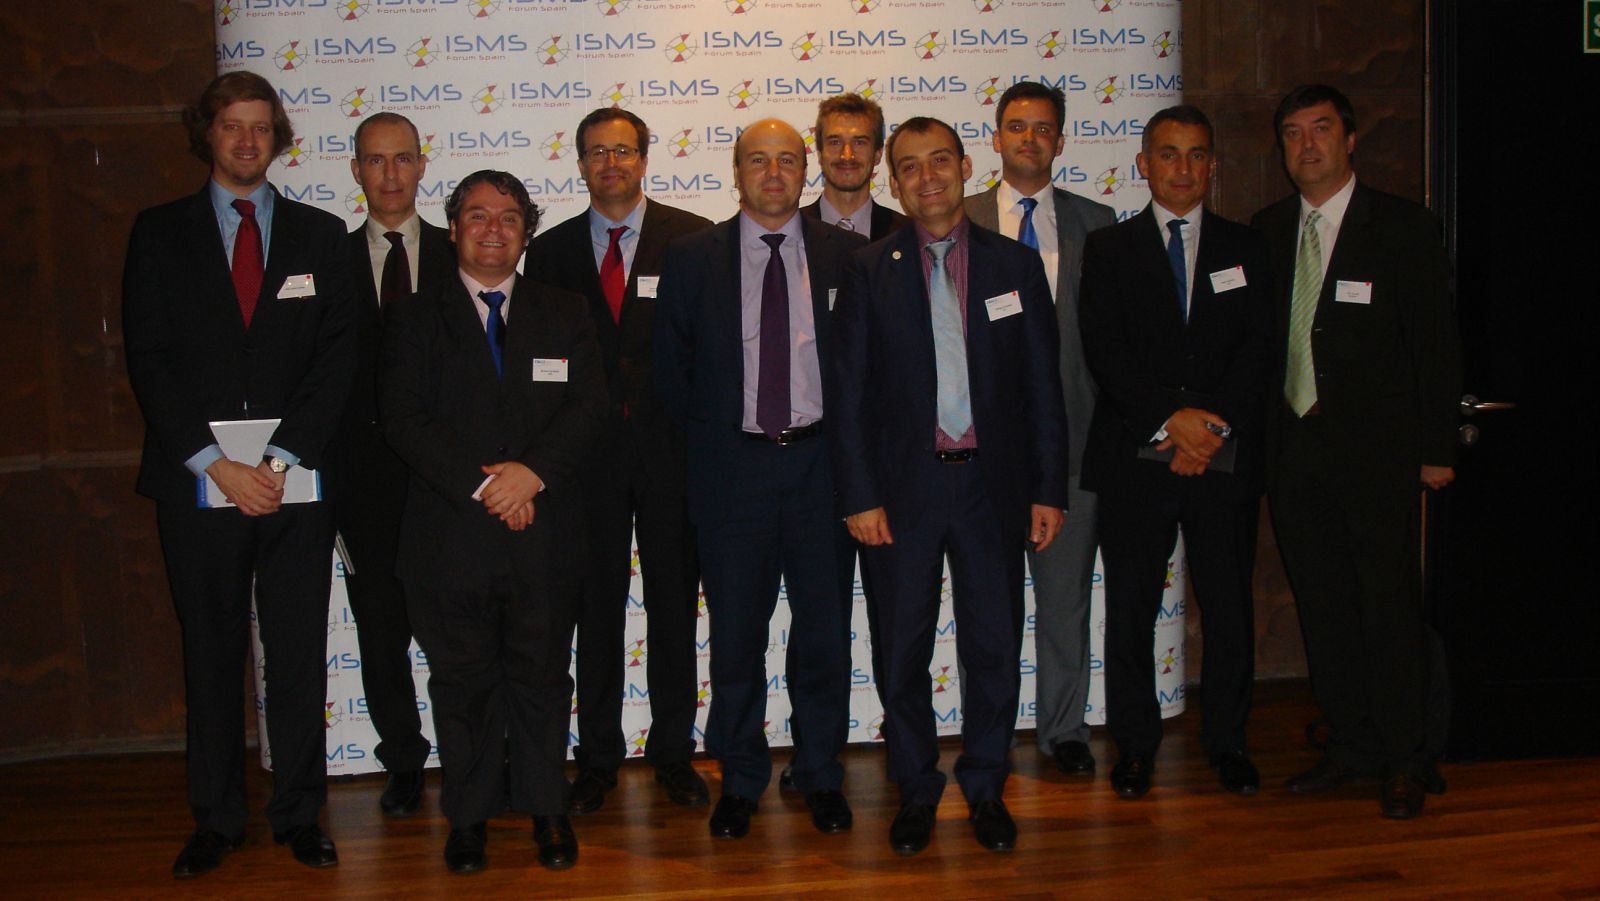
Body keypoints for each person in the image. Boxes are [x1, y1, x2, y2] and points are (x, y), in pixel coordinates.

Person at [122, 71, 354, 878]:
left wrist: (277, 459)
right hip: (199, 485)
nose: (248, 140)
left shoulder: (322, 235)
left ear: (277, 137)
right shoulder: (159, 233)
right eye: (232, 125)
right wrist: (219, 465)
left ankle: (299, 813)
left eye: (261, 126)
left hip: (295, 484)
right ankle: (217, 819)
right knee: (212, 654)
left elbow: (337, 360)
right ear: (208, 134)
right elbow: (149, 358)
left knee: (297, 655)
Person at [830, 116, 1068, 856]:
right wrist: (859, 495)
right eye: (909, 166)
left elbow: (1042, 385)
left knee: (993, 645)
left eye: (939, 161)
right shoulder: (869, 269)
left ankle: (987, 785)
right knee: (902, 650)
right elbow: (848, 395)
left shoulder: (1013, 265)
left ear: (966, 167)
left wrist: (1048, 488)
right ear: (894, 181)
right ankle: (916, 787)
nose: (926, 177)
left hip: (992, 490)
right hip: (901, 496)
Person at [379, 170, 607, 872]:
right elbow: (403, 419)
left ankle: (547, 809)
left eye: (509, 218)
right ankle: (470, 816)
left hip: (545, 533)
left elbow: (590, 405)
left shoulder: (565, 310)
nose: (492, 229)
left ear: (526, 234)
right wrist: (489, 487)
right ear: (453, 229)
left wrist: (531, 474)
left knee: (542, 677)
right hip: (451, 537)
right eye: (477, 216)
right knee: (463, 683)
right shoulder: (414, 315)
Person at [1251, 84, 1459, 819]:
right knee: (1325, 608)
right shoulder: (1268, 230)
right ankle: (1353, 744)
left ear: (1350, 138)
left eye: (1321, 129)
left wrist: (1436, 447)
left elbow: (1435, 345)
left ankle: (1406, 757)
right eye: (1292, 133)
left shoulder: (1402, 226)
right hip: (1294, 456)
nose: (1306, 145)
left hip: (1378, 458)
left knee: (1387, 608)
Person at [653, 118, 864, 841]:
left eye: (787, 161)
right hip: (732, 473)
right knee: (736, 638)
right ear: (736, 171)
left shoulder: (848, 255)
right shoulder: (692, 257)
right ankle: (740, 778)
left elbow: (865, 371)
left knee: (824, 633)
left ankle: (819, 772)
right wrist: (711, 457)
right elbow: (671, 374)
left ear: (806, 170)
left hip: (821, 470)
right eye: (758, 161)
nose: (773, 174)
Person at [1077, 105, 1274, 801]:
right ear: (1144, 164)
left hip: (1222, 460)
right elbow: (1105, 350)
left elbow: (1259, 350)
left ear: (1212, 165)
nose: (1182, 168)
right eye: (1168, 153)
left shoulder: (1248, 247)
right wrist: (1172, 421)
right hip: (1136, 458)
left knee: (1227, 608)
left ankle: (1228, 742)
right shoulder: (1110, 248)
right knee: (1131, 607)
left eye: (1196, 154)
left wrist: (1207, 432)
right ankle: (1134, 746)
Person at [526, 108, 712, 815]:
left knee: (674, 609)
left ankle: (673, 753)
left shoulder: (693, 238)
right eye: (597, 152)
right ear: (580, 164)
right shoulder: (550, 252)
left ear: (644, 159)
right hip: (584, 464)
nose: (611, 163)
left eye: (623, 150)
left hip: (673, 457)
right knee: (594, 612)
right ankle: (597, 758)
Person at [964, 81, 1115, 778]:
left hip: (1074, 447)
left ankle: (1064, 732)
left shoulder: (1098, 223)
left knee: (1065, 604)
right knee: (987, 612)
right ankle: (987, 734)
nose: (1030, 138)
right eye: (1017, 126)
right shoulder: (959, 217)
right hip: (979, 454)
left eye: (1044, 127)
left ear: (1061, 139)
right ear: (996, 138)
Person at [327, 111, 454, 818]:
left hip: (447, 483)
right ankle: (403, 760)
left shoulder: (464, 252)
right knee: (380, 634)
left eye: (402, 158)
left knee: (460, 632)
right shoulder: (327, 261)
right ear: (356, 170)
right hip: (362, 486)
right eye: (375, 160)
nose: (390, 174)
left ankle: (474, 755)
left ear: (421, 165)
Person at [801, 93, 907, 238]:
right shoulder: (793, 230)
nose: (847, 155)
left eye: (859, 143)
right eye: (835, 142)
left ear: (878, 154)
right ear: (820, 154)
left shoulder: (905, 233)